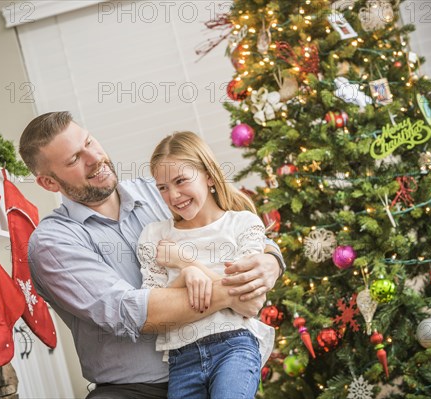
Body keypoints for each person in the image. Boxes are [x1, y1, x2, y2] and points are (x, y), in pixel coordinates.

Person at [19, 112, 285, 399]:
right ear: (49, 183)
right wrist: (234, 293)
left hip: (223, 355)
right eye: (74, 159)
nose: (94, 158)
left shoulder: (158, 190)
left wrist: (271, 260)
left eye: (89, 142)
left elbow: (235, 229)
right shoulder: (52, 243)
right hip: (135, 390)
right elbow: (133, 313)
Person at [138, 131, 275, 399]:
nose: (174, 195)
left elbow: (249, 304)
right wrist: (185, 276)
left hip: (235, 345)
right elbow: (153, 314)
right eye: (163, 187)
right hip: (182, 359)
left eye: (181, 181)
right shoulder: (154, 236)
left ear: (209, 175)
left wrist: (185, 262)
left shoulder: (242, 224)